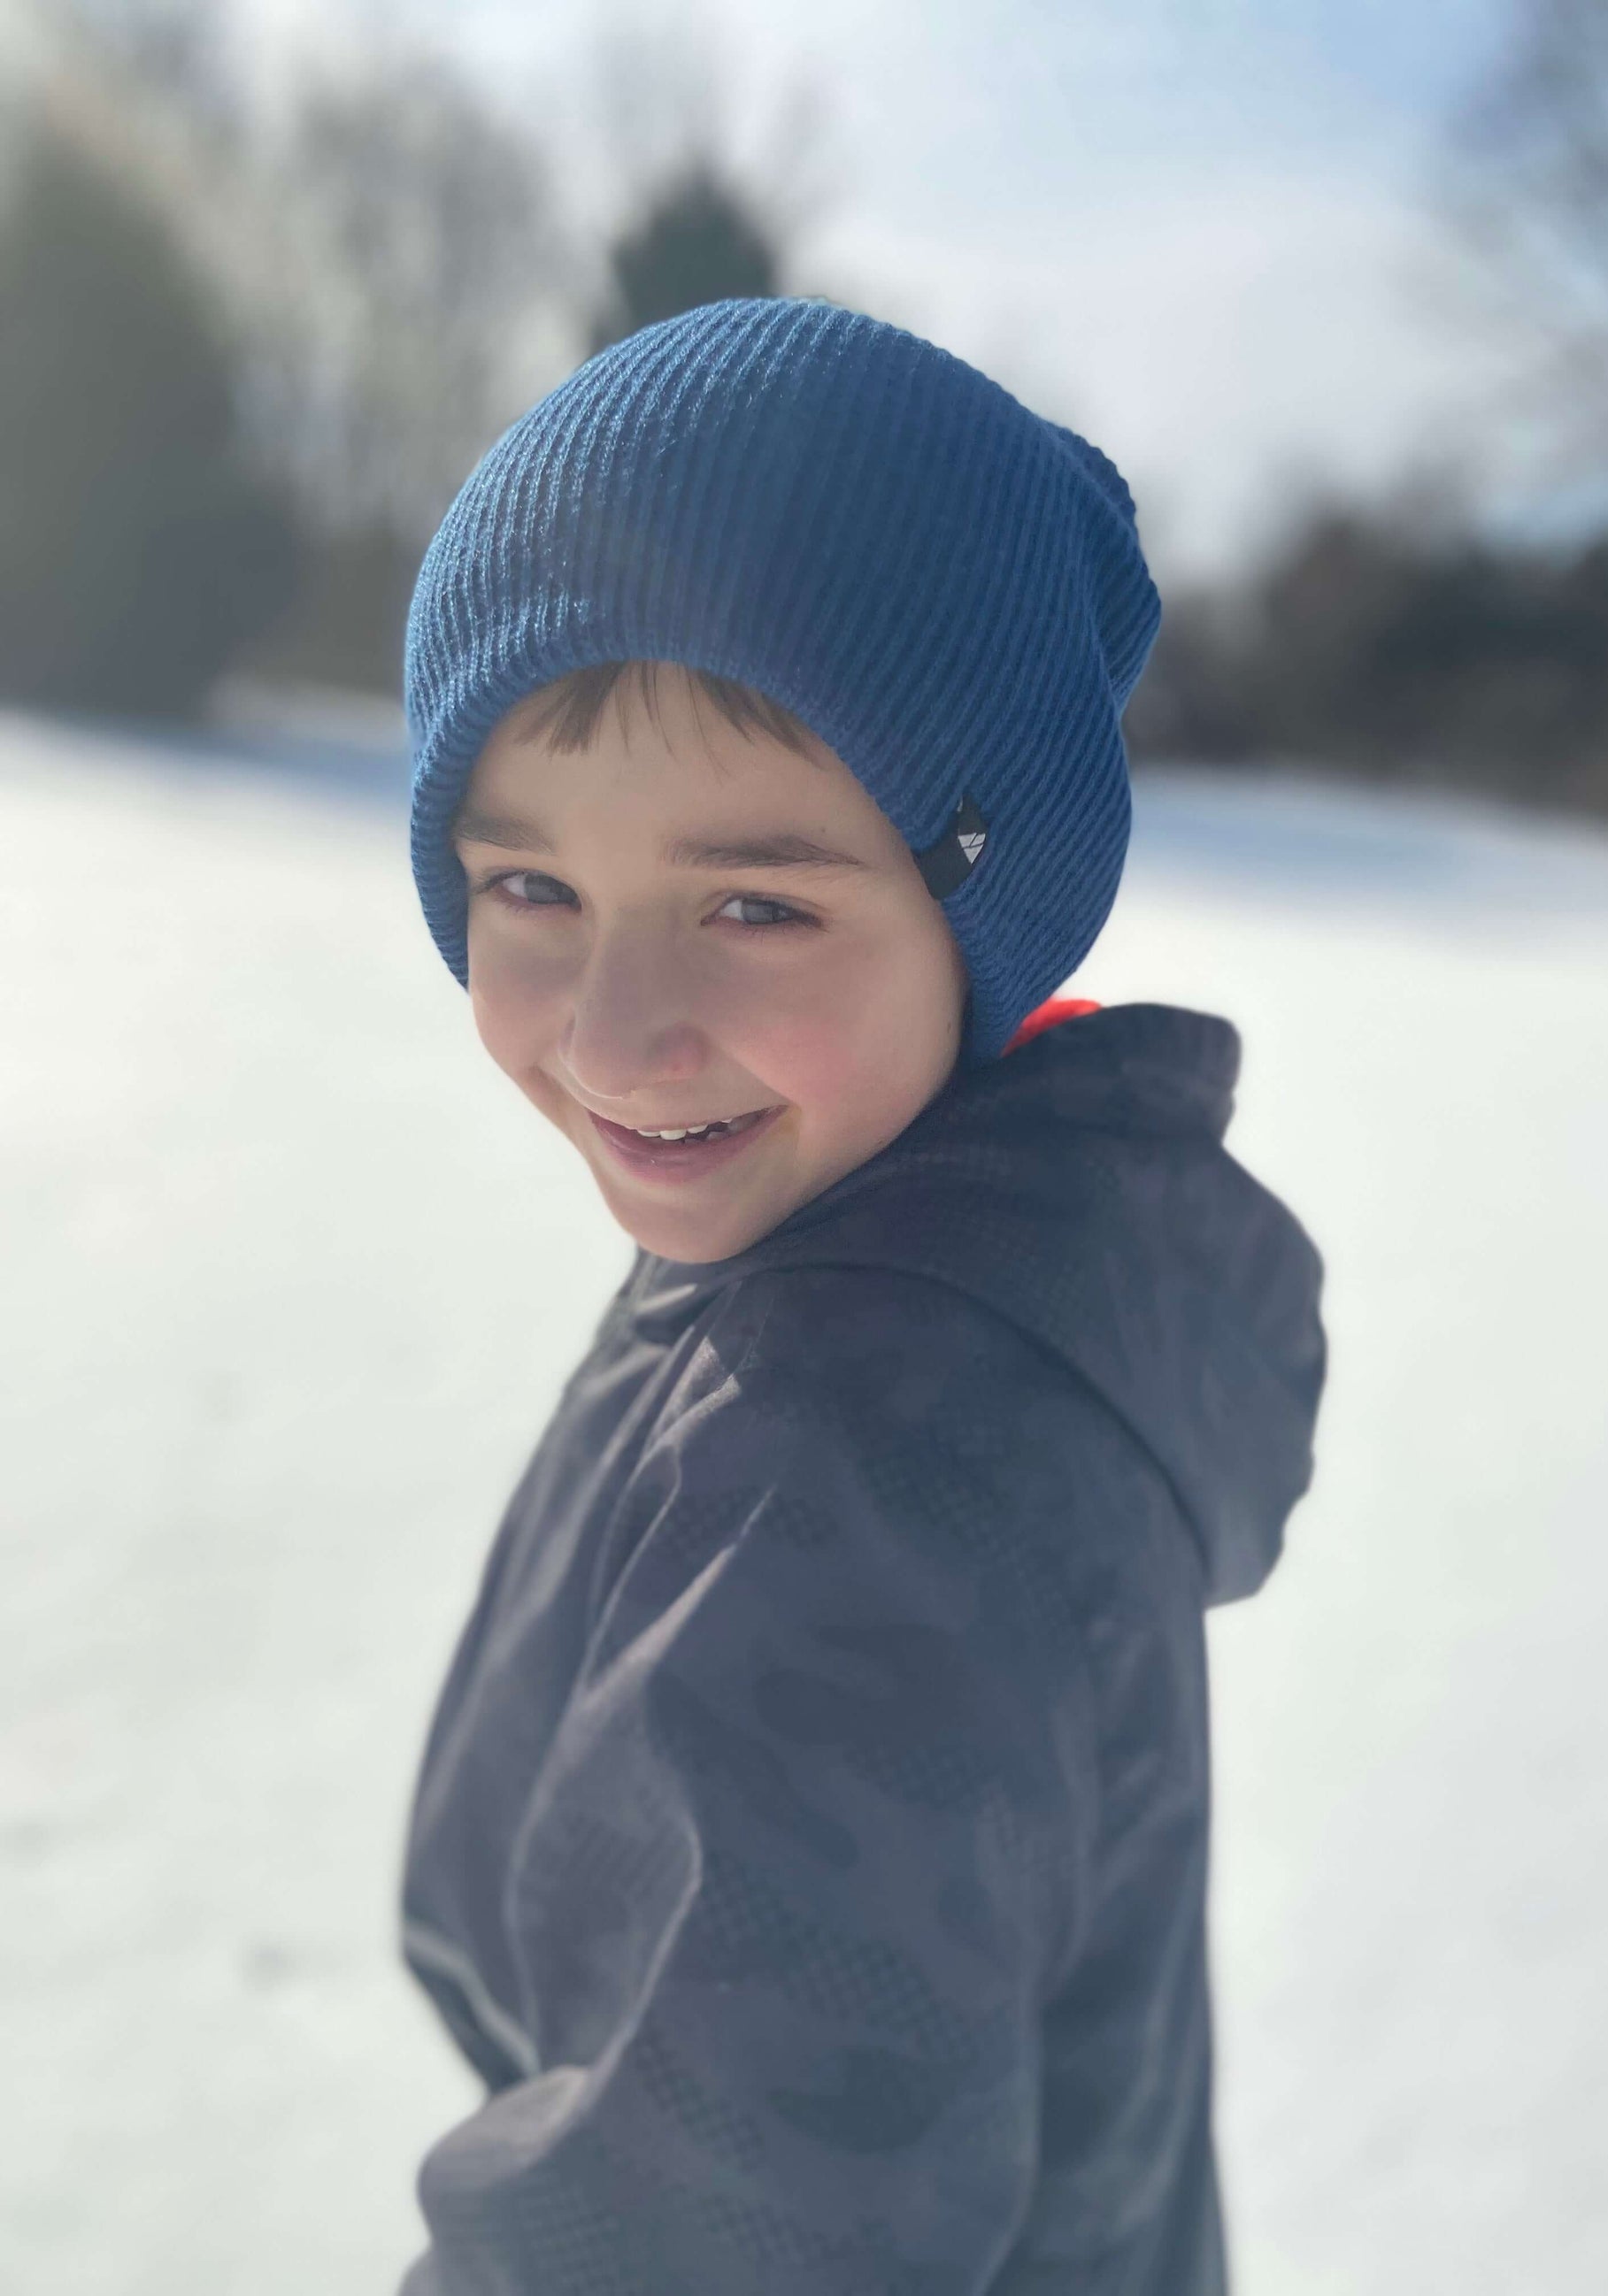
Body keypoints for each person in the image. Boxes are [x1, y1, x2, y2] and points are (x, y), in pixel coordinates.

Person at [396, 296, 1326, 2295]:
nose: (624, 1033)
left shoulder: (863, 1459)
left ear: (981, 913)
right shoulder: (887, 1232)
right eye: (530, 889)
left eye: (756, 903)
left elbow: (718, 2229)